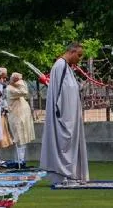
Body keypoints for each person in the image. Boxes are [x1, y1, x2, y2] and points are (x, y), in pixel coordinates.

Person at [40, 43, 89, 185]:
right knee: (64, 143)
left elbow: (69, 88)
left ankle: (70, 175)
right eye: (79, 55)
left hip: (69, 115)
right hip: (63, 116)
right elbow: (58, 93)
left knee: (70, 144)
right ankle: (63, 176)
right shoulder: (60, 66)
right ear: (71, 52)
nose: (79, 59)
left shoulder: (66, 67)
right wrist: (61, 113)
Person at [6, 72, 35, 168]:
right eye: (18, 80)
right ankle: (19, 162)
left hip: (21, 117)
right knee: (19, 139)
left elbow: (25, 91)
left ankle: (21, 160)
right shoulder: (10, 88)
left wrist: (19, 82)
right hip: (17, 118)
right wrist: (18, 82)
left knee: (23, 139)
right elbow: (24, 91)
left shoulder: (16, 88)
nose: (20, 82)